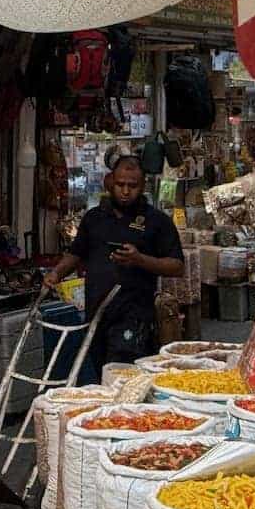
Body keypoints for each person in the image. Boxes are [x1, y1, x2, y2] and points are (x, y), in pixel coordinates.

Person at [43, 155, 184, 378]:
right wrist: (56, 273)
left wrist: (140, 259)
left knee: (121, 377)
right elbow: (76, 253)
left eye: (132, 186)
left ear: (143, 185)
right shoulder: (94, 218)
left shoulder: (157, 221)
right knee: (102, 374)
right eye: (120, 185)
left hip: (134, 315)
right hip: (96, 314)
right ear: (110, 182)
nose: (125, 191)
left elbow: (177, 266)